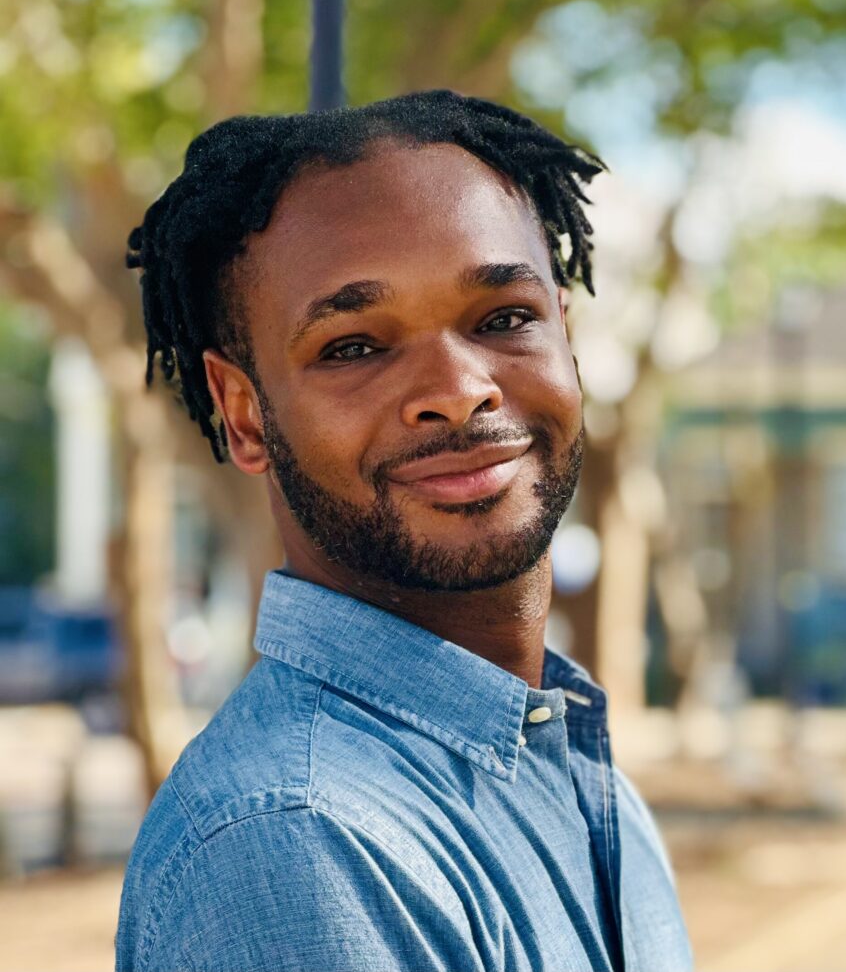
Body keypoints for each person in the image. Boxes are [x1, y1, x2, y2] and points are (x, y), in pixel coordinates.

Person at [115, 90, 693, 972]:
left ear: (566, 341)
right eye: (353, 346)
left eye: (503, 319)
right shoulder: (302, 841)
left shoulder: (579, 772)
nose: (459, 388)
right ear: (244, 415)